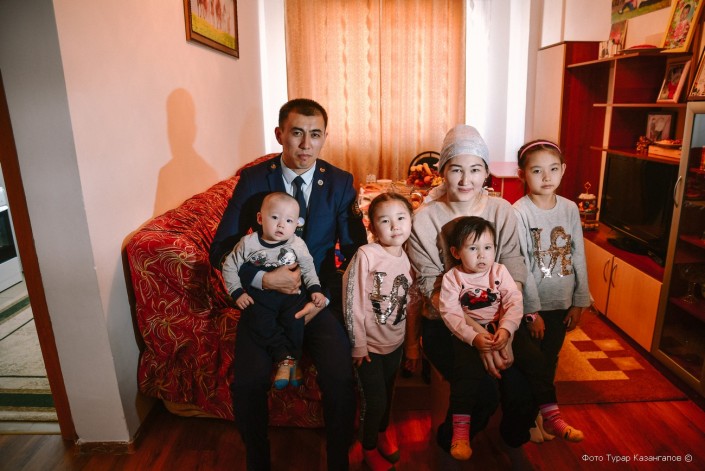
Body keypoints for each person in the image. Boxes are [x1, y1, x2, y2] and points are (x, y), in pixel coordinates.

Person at [210, 98, 368, 471]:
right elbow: (222, 248)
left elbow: (355, 252)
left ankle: (338, 462)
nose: (306, 145)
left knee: (339, 378)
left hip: (315, 299)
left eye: (315, 134)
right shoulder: (253, 180)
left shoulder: (340, 182)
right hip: (262, 301)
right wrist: (263, 278)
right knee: (248, 383)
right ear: (280, 134)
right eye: (297, 133)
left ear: (325, 136)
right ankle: (258, 461)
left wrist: (323, 297)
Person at [406, 124, 537, 456]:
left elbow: (514, 266)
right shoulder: (424, 220)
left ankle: (512, 441)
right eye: (456, 169)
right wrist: (478, 338)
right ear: (442, 172)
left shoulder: (501, 211)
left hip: (500, 315)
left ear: (486, 172)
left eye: (476, 169)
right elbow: (430, 285)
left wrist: (504, 331)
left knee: (527, 385)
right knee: (483, 394)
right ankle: (448, 441)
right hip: (444, 322)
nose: (466, 179)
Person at [512, 139, 591, 442]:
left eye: (553, 169)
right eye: (537, 171)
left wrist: (580, 301)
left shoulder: (570, 209)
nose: (546, 177)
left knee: (550, 361)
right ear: (522, 175)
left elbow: (578, 254)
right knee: (534, 364)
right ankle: (531, 419)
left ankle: (540, 416)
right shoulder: (519, 212)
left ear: (563, 170)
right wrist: (531, 312)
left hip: (563, 303)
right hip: (535, 306)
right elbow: (521, 263)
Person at [221, 192, 327, 390]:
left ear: (296, 225)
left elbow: (308, 267)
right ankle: (283, 357)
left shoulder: (297, 244)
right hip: (260, 296)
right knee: (259, 322)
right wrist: (237, 292)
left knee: (295, 320)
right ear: (260, 218)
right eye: (275, 217)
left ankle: (292, 358)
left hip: (291, 295)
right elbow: (229, 266)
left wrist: (315, 289)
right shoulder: (248, 243)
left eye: (289, 221)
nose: (281, 225)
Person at [438, 216, 523, 460]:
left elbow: (514, 301)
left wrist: (506, 329)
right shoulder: (452, 278)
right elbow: (450, 313)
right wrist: (473, 338)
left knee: (522, 376)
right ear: (456, 252)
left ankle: (547, 415)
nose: (482, 255)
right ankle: (460, 434)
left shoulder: (499, 271)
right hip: (467, 334)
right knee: (466, 377)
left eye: (487, 247)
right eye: (473, 248)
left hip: (499, 329)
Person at [343, 192, 414, 471]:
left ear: (411, 220)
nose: (395, 226)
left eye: (401, 218)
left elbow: (407, 302)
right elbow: (352, 300)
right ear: (372, 227)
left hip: (394, 343)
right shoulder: (367, 255)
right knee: (375, 400)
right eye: (385, 221)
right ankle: (368, 446)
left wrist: (408, 344)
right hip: (369, 348)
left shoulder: (406, 257)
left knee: (388, 394)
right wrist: (358, 344)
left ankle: (382, 433)